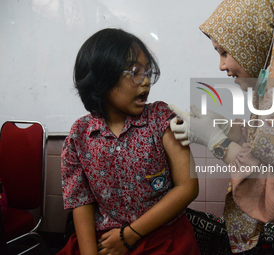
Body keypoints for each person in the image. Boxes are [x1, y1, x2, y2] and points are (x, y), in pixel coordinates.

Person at [169, 0, 274, 253]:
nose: (222, 66)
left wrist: (218, 143)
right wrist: (230, 129)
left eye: (225, 52)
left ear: (253, 40)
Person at [58, 28, 200, 255]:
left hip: (163, 238)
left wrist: (129, 235)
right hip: (106, 241)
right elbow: (81, 202)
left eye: (148, 72)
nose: (146, 81)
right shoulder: (79, 134)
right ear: (102, 77)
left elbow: (188, 187)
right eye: (135, 72)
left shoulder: (162, 118)